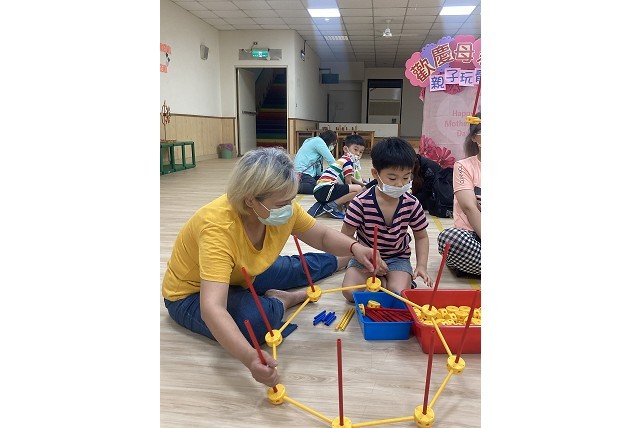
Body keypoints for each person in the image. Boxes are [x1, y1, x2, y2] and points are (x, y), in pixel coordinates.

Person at [162, 147, 384, 388]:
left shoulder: (278, 207)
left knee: (296, 268)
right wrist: (250, 358)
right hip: (190, 295)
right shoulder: (218, 229)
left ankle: (340, 261)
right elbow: (212, 308)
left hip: (243, 273)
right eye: (283, 203)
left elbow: (321, 236)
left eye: (291, 200)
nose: (290, 207)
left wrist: (354, 248)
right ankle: (284, 300)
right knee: (256, 323)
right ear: (250, 199)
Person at [340, 137, 434, 303]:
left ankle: (392, 281)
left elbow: (421, 236)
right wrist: (361, 255)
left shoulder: (411, 203)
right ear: (375, 174)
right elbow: (345, 237)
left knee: (398, 294)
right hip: (366, 258)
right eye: (392, 178)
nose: (400, 184)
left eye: (406, 178)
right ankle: (382, 282)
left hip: (397, 258)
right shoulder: (360, 202)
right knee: (350, 292)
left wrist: (421, 265)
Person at [437, 112, 481, 277]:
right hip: (473, 236)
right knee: (451, 239)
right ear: (474, 138)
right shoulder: (464, 166)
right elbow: (470, 208)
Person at [308, 134, 367, 219]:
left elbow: (350, 178)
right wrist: (349, 204)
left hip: (319, 190)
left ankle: (325, 204)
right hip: (326, 188)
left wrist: (362, 184)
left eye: (361, 152)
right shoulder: (348, 161)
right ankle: (330, 206)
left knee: (355, 188)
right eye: (355, 149)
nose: (358, 154)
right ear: (346, 149)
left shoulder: (342, 160)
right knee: (358, 189)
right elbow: (348, 182)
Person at [293, 130, 337, 194]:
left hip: (305, 173)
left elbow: (319, 171)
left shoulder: (311, 141)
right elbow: (331, 160)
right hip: (302, 172)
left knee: (323, 182)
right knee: (316, 188)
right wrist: (338, 172)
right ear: (329, 141)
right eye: (333, 144)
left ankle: (297, 184)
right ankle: (292, 187)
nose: (333, 147)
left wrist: (326, 175)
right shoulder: (319, 142)